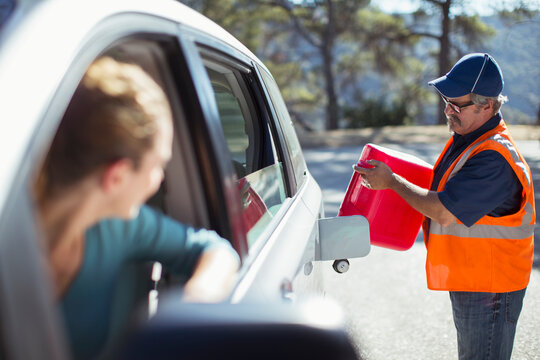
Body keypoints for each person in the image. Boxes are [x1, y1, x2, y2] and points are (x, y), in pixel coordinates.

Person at [34, 57, 239, 359]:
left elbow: (214, 249)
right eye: (158, 166)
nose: (157, 182)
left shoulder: (119, 225)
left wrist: (196, 304)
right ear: (116, 176)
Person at [354, 53, 535, 359]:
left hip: (490, 288)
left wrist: (393, 181)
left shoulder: (494, 158)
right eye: (446, 102)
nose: (448, 111)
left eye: (457, 105)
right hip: (474, 279)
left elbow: (443, 210)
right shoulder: (468, 138)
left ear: (487, 105)